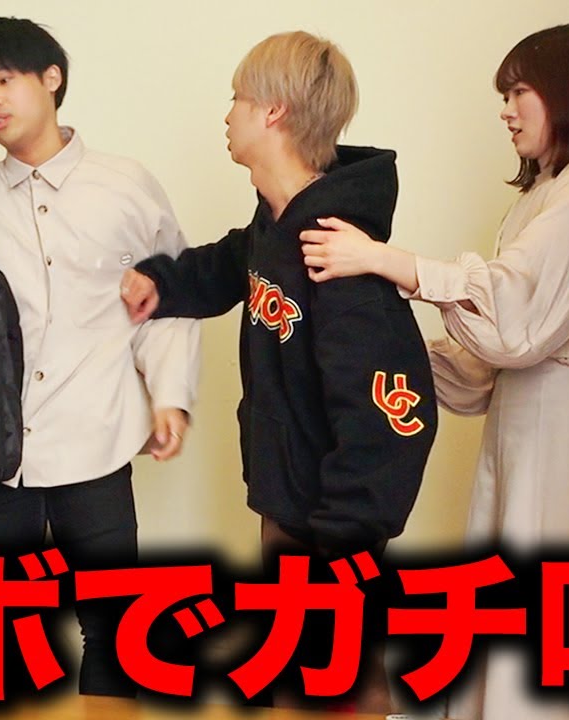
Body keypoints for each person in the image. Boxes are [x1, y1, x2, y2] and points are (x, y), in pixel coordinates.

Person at [299, 23, 569, 720]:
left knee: (544, 582)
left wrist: (385, 262)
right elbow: (493, 350)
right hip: (523, 410)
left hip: (565, 415)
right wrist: (387, 352)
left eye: (520, 92)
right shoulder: (543, 193)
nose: (507, 111)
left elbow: (516, 313)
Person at [120, 31, 436, 714]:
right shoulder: (278, 224)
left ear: (273, 112)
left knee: (336, 689)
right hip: (289, 503)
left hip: (331, 532)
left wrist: (341, 545)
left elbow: (392, 420)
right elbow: (235, 260)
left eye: (237, 98)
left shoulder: (337, 255)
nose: (226, 113)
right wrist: (162, 283)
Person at [0, 17, 200, 697]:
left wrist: (170, 397)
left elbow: (169, 295)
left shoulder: (125, 184)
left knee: (115, 633)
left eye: (4, 80)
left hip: (98, 440)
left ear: (51, 78)